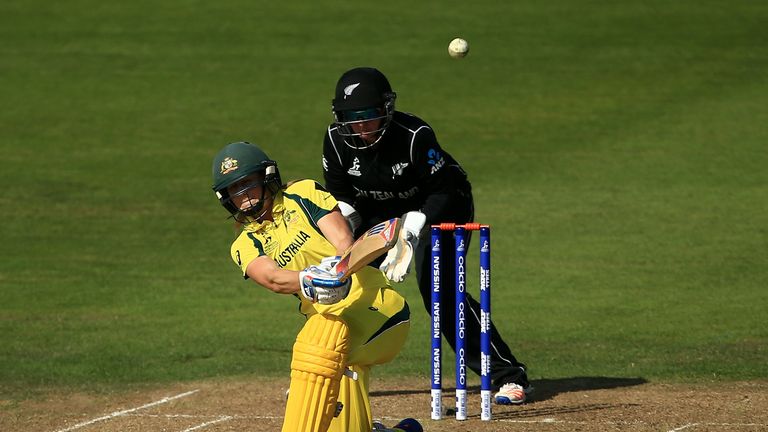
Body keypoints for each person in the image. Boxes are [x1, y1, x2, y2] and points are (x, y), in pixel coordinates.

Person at [321, 67, 533, 405]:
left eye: (368, 116)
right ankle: (327, 373)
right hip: (378, 211)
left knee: (441, 292)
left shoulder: (414, 136)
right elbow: (342, 198)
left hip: (441, 207)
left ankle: (508, 375)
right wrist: (346, 249)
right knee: (342, 285)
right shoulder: (335, 140)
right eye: (351, 119)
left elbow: (443, 191)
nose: (360, 127)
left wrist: (410, 231)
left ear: (386, 109)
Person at [211, 141, 423, 432]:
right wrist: (307, 280)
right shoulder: (244, 244)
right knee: (325, 354)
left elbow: (343, 240)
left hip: (377, 307)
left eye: (248, 183)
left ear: (266, 177)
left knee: (317, 355)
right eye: (234, 189)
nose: (244, 195)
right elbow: (271, 277)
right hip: (331, 332)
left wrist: (339, 268)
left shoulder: (302, 194)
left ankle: (311, 384)